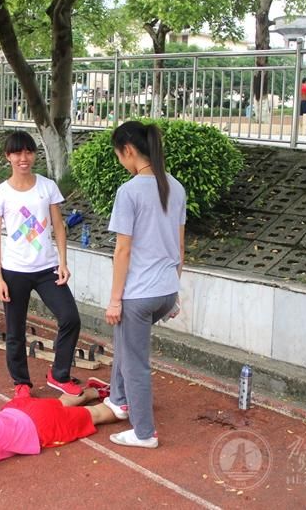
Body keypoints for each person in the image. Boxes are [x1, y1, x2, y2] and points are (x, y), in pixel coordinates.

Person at [104, 121, 186, 449]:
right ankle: (119, 398)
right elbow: (180, 248)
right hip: (165, 292)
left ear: (128, 151)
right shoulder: (175, 187)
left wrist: (114, 300)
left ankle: (144, 432)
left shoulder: (129, 191)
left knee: (135, 361)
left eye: (119, 156)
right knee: (125, 343)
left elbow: (122, 250)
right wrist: (175, 294)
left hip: (140, 295)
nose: (120, 162)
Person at [0, 131, 82, 397]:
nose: (23, 158)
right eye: (17, 153)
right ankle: (21, 383)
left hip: (47, 269)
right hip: (14, 271)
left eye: (28, 152)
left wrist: (63, 262)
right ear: (8, 157)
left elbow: (59, 227)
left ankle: (59, 373)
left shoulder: (47, 186)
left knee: (70, 318)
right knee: (15, 330)